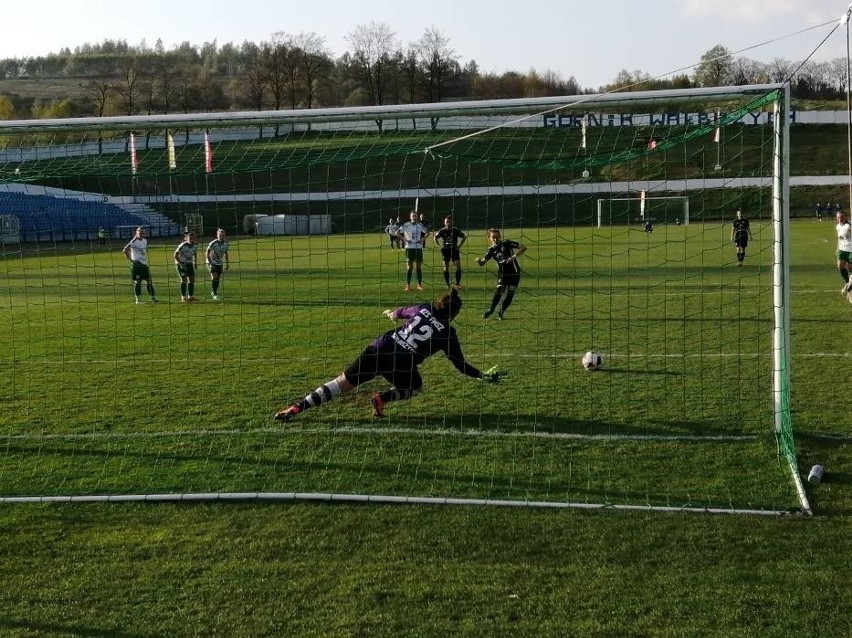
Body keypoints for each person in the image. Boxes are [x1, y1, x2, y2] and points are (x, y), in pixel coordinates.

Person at [273, 288, 505, 422]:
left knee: (341, 383)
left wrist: (393, 313)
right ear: (454, 314)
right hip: (402, 363)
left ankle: (296, 408)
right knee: (414, 388)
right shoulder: (448, 333)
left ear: (438, 304)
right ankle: (382, 399)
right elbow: (461, 365)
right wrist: (482, 375)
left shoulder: (424, 307)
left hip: (381, 347)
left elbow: (403, 311)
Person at [476, 228, 527, 320]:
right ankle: (491, 310)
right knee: (498, 292)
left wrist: (513, 257)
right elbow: (483, 263)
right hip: (503, 274)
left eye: (497, 237)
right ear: (489, 237)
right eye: (493, 237)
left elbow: (523, 247)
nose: (496, 239)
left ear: (500, 236)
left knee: (510, 294)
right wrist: (479, 261)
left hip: (514, 273)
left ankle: (501, 312)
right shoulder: (491, 250)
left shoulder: (507, 243)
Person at [123, 226, 159, 304]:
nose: (141, 234)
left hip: (144, 264)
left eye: (142, 233)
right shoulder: (133, 241)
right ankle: (138, 300)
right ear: (136, 233)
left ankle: (153, 298)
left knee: (149, 281)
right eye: (139, 233)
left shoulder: (145, 241)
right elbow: (125, 250)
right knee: (138, 282)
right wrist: (131, 260)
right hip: (137, 265)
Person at [396, 209, 430, 291]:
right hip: (409, 248)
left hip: (418, 248)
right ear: (410, 217)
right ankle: (408, 285)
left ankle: (419, 285)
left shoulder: (420, 225)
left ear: (417, 217)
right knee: (410, 267)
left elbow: (428, 232)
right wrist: (405, 240)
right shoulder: (406, 225)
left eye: (415, 216)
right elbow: (397, 233)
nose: (414, 217)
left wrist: (422, 240)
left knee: (418, 267)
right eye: (413, 216)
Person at [434, 215, 467, 288]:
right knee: (446, 267)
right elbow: (435, 238)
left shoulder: (455, 230)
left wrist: (459, 246)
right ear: (444, 223)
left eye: (449, 222)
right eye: (447, 222)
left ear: (452, 222)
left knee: (458, 266)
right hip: (445, 250)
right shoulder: (442, 230)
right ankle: (447, 284)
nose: (448, 223)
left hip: (454, 250)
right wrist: (439, 247)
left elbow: (464, 237)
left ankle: (457, 284)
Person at [173, 231, 198, 302]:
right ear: (187, 239)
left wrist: (195, 262)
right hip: (181, 263)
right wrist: (181, 264)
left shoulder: (195, 245)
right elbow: (175, 254)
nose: (192, 240)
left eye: (193, 238)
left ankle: (190, 296)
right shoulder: (183, 245)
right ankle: (183, 297)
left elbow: (194, 253)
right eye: (190, 238)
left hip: (189, 263)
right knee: (184, 280)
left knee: (192, 279)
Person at [206, 228, 230, 300]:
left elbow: (225, 253)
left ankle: (214, 291)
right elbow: (207, 252)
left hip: (219, 263)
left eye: (223, 235)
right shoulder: (213, 243)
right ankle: (214, 293)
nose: (221, 237)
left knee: (217, 279)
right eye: (220, 235)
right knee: (215, 277)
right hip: (211, 262)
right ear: (217, 235)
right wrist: (210, 263)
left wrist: (227, 263)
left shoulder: (226, 244)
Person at [835, 209, 852, 296]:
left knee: (850, 268)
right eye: (838, 217)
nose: (840, 219)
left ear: (846, 217)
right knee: (840, 266)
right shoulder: (838, 226)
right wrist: (837, 248)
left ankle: (850, 282)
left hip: (850, 249)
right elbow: (839, 238)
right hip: (842, 249)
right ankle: (847, 282)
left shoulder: (849, 225)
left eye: (842, 217)